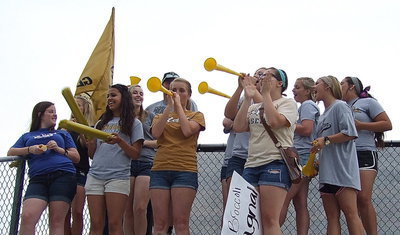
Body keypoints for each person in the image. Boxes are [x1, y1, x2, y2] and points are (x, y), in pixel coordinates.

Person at [233, 67, 298, 235]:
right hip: (252, 165)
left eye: (268, 75)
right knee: (252, 220)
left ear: (280, 83)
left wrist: (266, 95)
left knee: (270, 219)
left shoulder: (288, 103)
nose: (262, 78)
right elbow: (238, 127)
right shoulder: (255, 107)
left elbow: (275, 121)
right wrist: (248, 97)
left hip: (275, 162)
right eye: (261, 75)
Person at [7, 101, 80, 235]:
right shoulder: (27, 136)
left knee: (56, 221)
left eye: (55, 111)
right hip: (38, 179)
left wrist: (59, 149)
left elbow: (76, 157)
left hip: (63, 175)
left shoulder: (62, 134)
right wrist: (30, 149)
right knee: (28, 217)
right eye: (51, 111)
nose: (55, 114)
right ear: (40, 114)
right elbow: (11, 152)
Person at [85, 84, 144, 235]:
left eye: (113, 95)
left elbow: (136, 153)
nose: (110, 99)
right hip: (95, 176)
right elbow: (93, 155)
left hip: (118, 177)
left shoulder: (134, 123)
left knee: (114, 223)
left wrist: (120, 141)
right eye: (108, 96)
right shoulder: (101, 123)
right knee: (96, 224)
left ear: (123, 98)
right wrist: (90, 143)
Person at [150, 78, 205, 235]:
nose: (177, 93)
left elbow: (187, 131)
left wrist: (179, 107)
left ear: (189, 94)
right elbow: (156, 133)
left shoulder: (196, 115)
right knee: (160, 224)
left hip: (185, 170)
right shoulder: (159, 116)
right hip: (160, 169)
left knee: (181, 223)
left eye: (182, 90)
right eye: (174, 90)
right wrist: (169, 107)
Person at [311, 75, 364, 234]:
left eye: (317, 83)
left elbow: (350, 133)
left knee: (351, 214)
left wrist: (325, 140)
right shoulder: (321, 117)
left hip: (343, 171)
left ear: (327, 86)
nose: (314, 87)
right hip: (327, 173)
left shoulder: (340, 106)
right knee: (332, 217)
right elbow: (324, 142)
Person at [340, 76, 392, 235]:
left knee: (363, 198)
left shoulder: (368, 103)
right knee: (350, 201)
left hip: (364, 152)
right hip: (345, 155)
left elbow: (387, 124)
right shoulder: (339, 106)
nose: (339, 85)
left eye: (342, 83)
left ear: (351, 87)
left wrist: (361, 125)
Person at [280, 77, 320, 235]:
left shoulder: (307, 105)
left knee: (285, 197)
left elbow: (307, 129)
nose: (293, 90)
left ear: (308, 91)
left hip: (301, 155)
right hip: (305, 155)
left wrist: (286, 122)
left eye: (297, 87)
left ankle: (273, 228)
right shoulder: (307, 106)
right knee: (300, 202)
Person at [124, 85, 157, 235]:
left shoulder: (150, 116)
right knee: (127, 209)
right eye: (135, 93)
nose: (138, 96)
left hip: (147, 162)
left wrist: (141, 142)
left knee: (140, 208)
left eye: (141, 93)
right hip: (127, 163)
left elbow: (160, 141)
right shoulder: (122, 118)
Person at [224, 68, 265, 188]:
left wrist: (251, 86)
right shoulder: (245, 99)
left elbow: (264, 108)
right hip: (239, 155)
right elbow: (229, 114)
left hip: (260, 156)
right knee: (235, 198)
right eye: (257, 73)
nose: (258, 76)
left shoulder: (271, 99)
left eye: (263, 74)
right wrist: (240, 88)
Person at [64, 94, 96, 235]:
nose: (74, 108)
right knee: (64, 212)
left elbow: (89, 150)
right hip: (65, 171)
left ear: (85, 108)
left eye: (78, 105)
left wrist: (80, 128)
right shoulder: (65, 127)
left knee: (77, 211)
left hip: (81, 172)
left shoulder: (89, 127)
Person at [220, 117, 235, 216]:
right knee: (229, 210)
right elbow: (226, 123)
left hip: (255, 159)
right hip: (230, 161)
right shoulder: (239, 104)